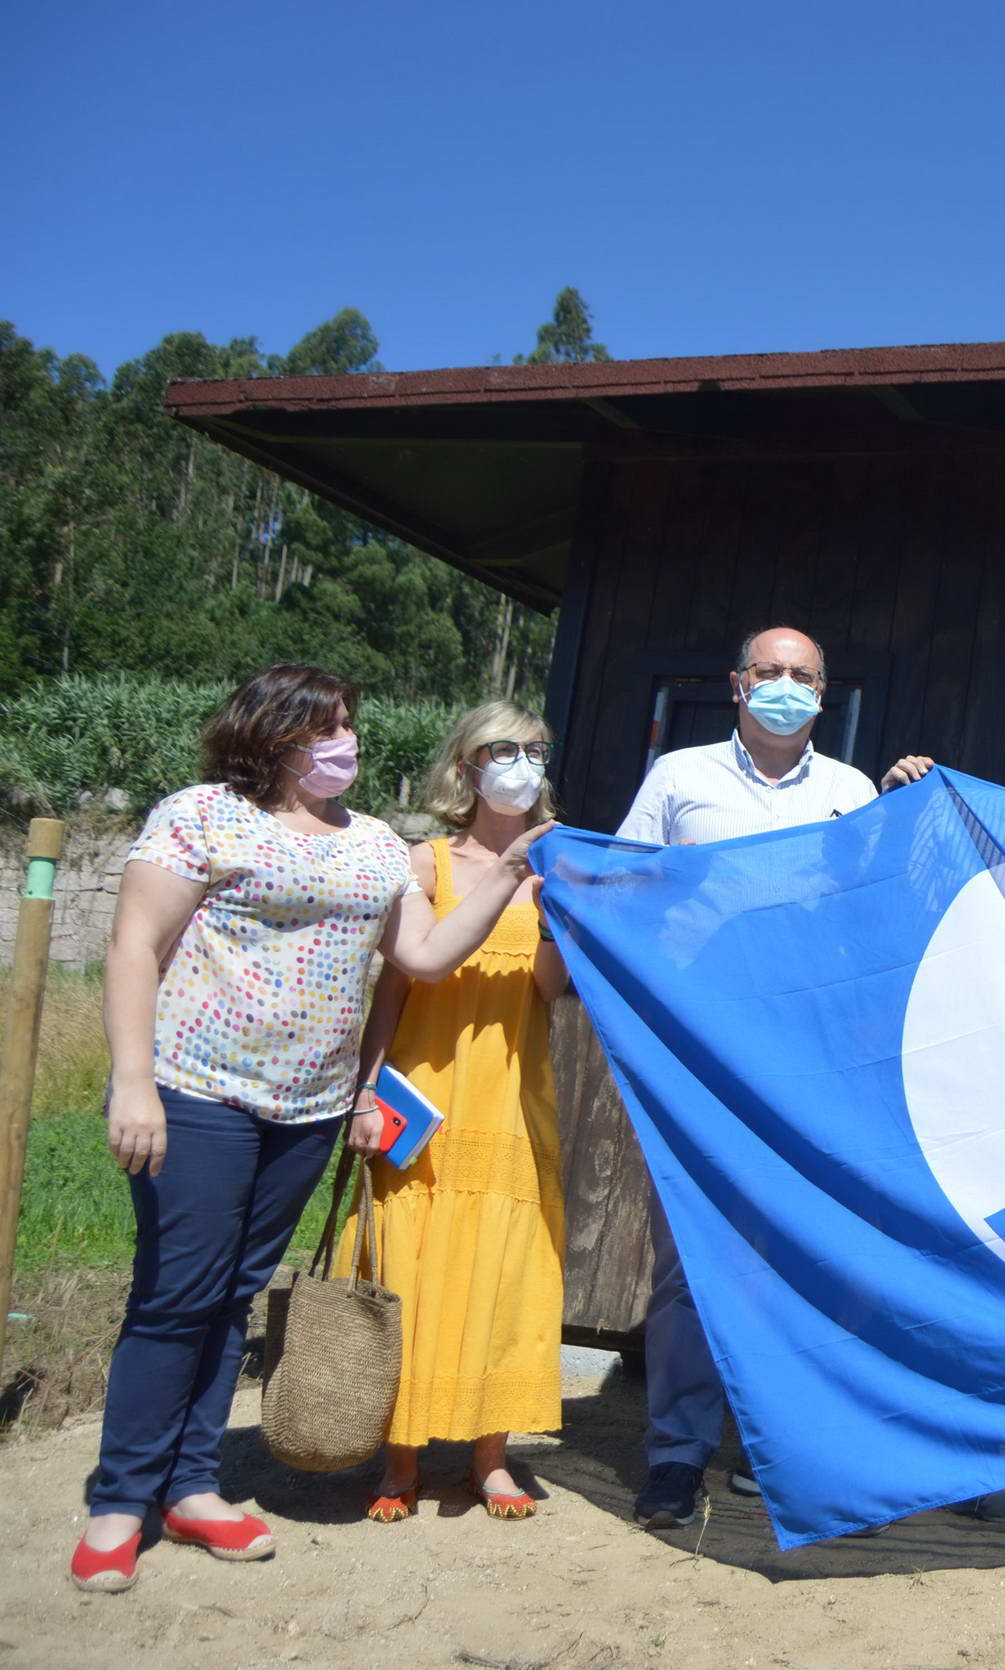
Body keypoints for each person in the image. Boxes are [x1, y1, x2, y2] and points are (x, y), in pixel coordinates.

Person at [72, 665, 547, 1594]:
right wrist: (133, 1083)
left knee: (235, 1293)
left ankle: (195, 1488)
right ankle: (120, 1499)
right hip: (199, 1088)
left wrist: (516, 869)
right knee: (177, 1293)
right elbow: (134, 943)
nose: (348, 746)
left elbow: (425, 954)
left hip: (310, 1107)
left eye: (350, 728)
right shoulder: (202, 814)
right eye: (327, 730)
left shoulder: (373, 843)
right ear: (274, 736)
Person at [616, 626, 904, 1530]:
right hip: (699, 1049)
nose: (785, 687)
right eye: (770, 673)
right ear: (738, 685)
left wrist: (908, 810)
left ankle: (775, 1443)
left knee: (804, 1252)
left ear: (825, 693)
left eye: (803, 676)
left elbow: (878, 907)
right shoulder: (679, 779)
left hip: (810, 1052)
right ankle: (676, 1453)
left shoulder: (854, 792)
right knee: (692, 1260)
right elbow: (621, 885)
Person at [358, 702, 571, 1525]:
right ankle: (400, 1456)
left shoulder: (555, 866)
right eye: (505, 748)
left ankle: (491, 1458)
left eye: (536, 750)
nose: (523, 762)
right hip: (424, 1093)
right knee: (408, 1268)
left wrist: (554, 910)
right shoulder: (426, 863)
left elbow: (550, 992)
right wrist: (365, 1091)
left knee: (505, 1269)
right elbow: (397, 985)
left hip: (515, 1093)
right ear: (468, 764)